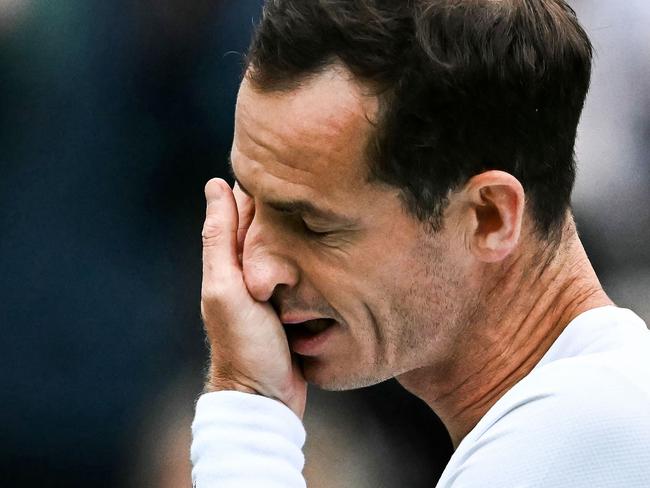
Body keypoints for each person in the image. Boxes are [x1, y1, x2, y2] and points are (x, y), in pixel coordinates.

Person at [190, 0, 650, 486]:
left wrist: (248, 408)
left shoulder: (584, 433)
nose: (257, 275)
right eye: (251, 203)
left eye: (314, 226)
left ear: (488, 217)